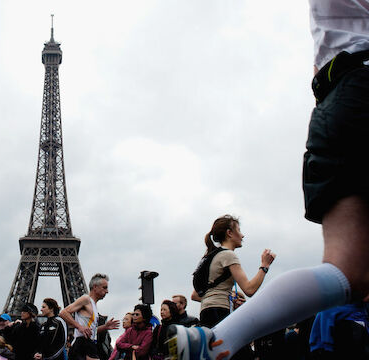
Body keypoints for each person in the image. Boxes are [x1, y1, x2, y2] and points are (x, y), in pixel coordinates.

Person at [168, 2, 369, 359]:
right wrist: (263, 265)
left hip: (339, 95)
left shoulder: (214, 255)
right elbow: (248, 286)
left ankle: (214, 342)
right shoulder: (226, 255)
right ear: (229, 232)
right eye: (238, 228)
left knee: (346, 273)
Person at [59, 273, 120, 360]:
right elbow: (63, 312)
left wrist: (105, 327)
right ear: (95, 287)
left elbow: (91, 332)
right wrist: (79, 327)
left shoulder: (93, 304)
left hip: (88, 343)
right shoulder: (86, 299)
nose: (107, 291)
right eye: (104, 287)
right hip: (83, 344)